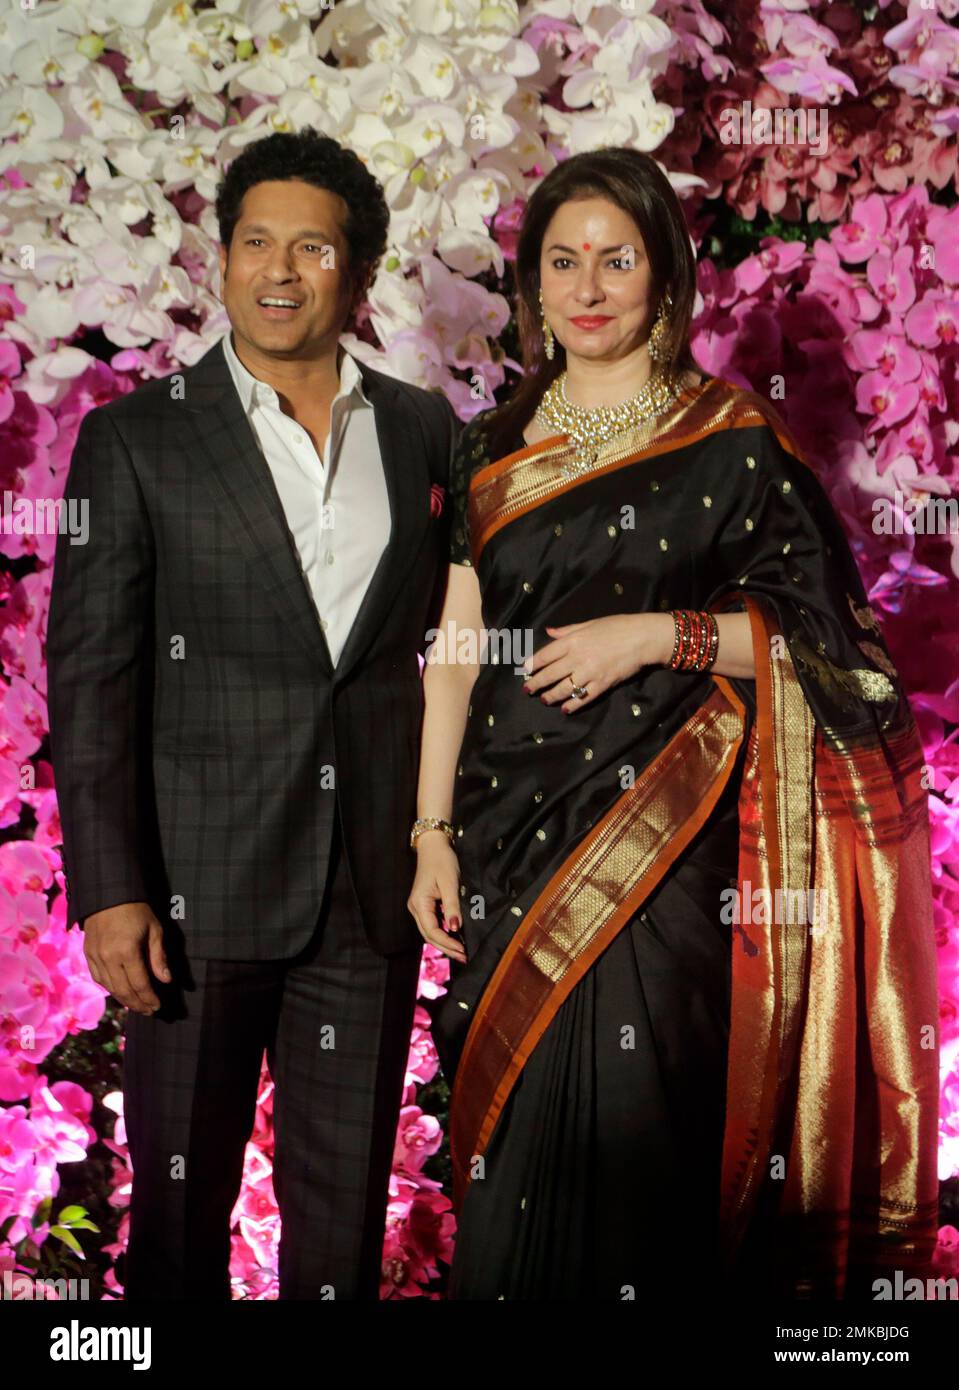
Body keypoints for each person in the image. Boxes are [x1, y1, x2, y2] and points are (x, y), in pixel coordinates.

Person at [409, 147, 940, 1300]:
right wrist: (429, 834)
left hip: (670, 846)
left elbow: (833, 650)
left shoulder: (732, 440)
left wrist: (660, 636)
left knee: (649, 1150)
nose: (587, 285)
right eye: (561, 261)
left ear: (666, 277)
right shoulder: (492, 446)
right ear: (531, 285)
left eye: (616, 258)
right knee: (507, 1161)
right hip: (509, 833)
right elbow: (453, 653)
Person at [46, 128, 460, 1300]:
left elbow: (449, 645)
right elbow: (92, 676)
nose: (278, 269)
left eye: (311, 247)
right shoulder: (136, 438)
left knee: (339, 1230)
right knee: (179, 1223)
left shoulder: (422, 430)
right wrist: (111, 886)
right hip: (192, 892)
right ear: (221, 262)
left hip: (364, 898)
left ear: (357, 275)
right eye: (253, 241)